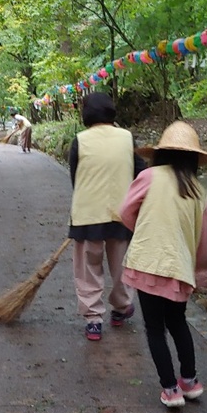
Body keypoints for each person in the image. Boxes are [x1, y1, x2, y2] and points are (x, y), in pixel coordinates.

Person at [119, 121, 207, 409]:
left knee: (153, 328)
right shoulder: (199, 191)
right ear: (193, 159)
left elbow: (126, 211)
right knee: (177, 322)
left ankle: (170, 389)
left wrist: (143, 229)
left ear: (160, 154)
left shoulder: (149, 177)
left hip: (148, 263)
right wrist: (199, 268)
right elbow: (203, 238)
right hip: (178, 269)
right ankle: (189, 380)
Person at [68, 92, 143, 341]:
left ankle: (93, 320)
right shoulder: (127, 138)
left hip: (87, 213)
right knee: (121, 264)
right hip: (121, 211)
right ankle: (122, 307)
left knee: (88, 267)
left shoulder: (80, 140)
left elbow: (75, 178)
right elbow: (140, 171)